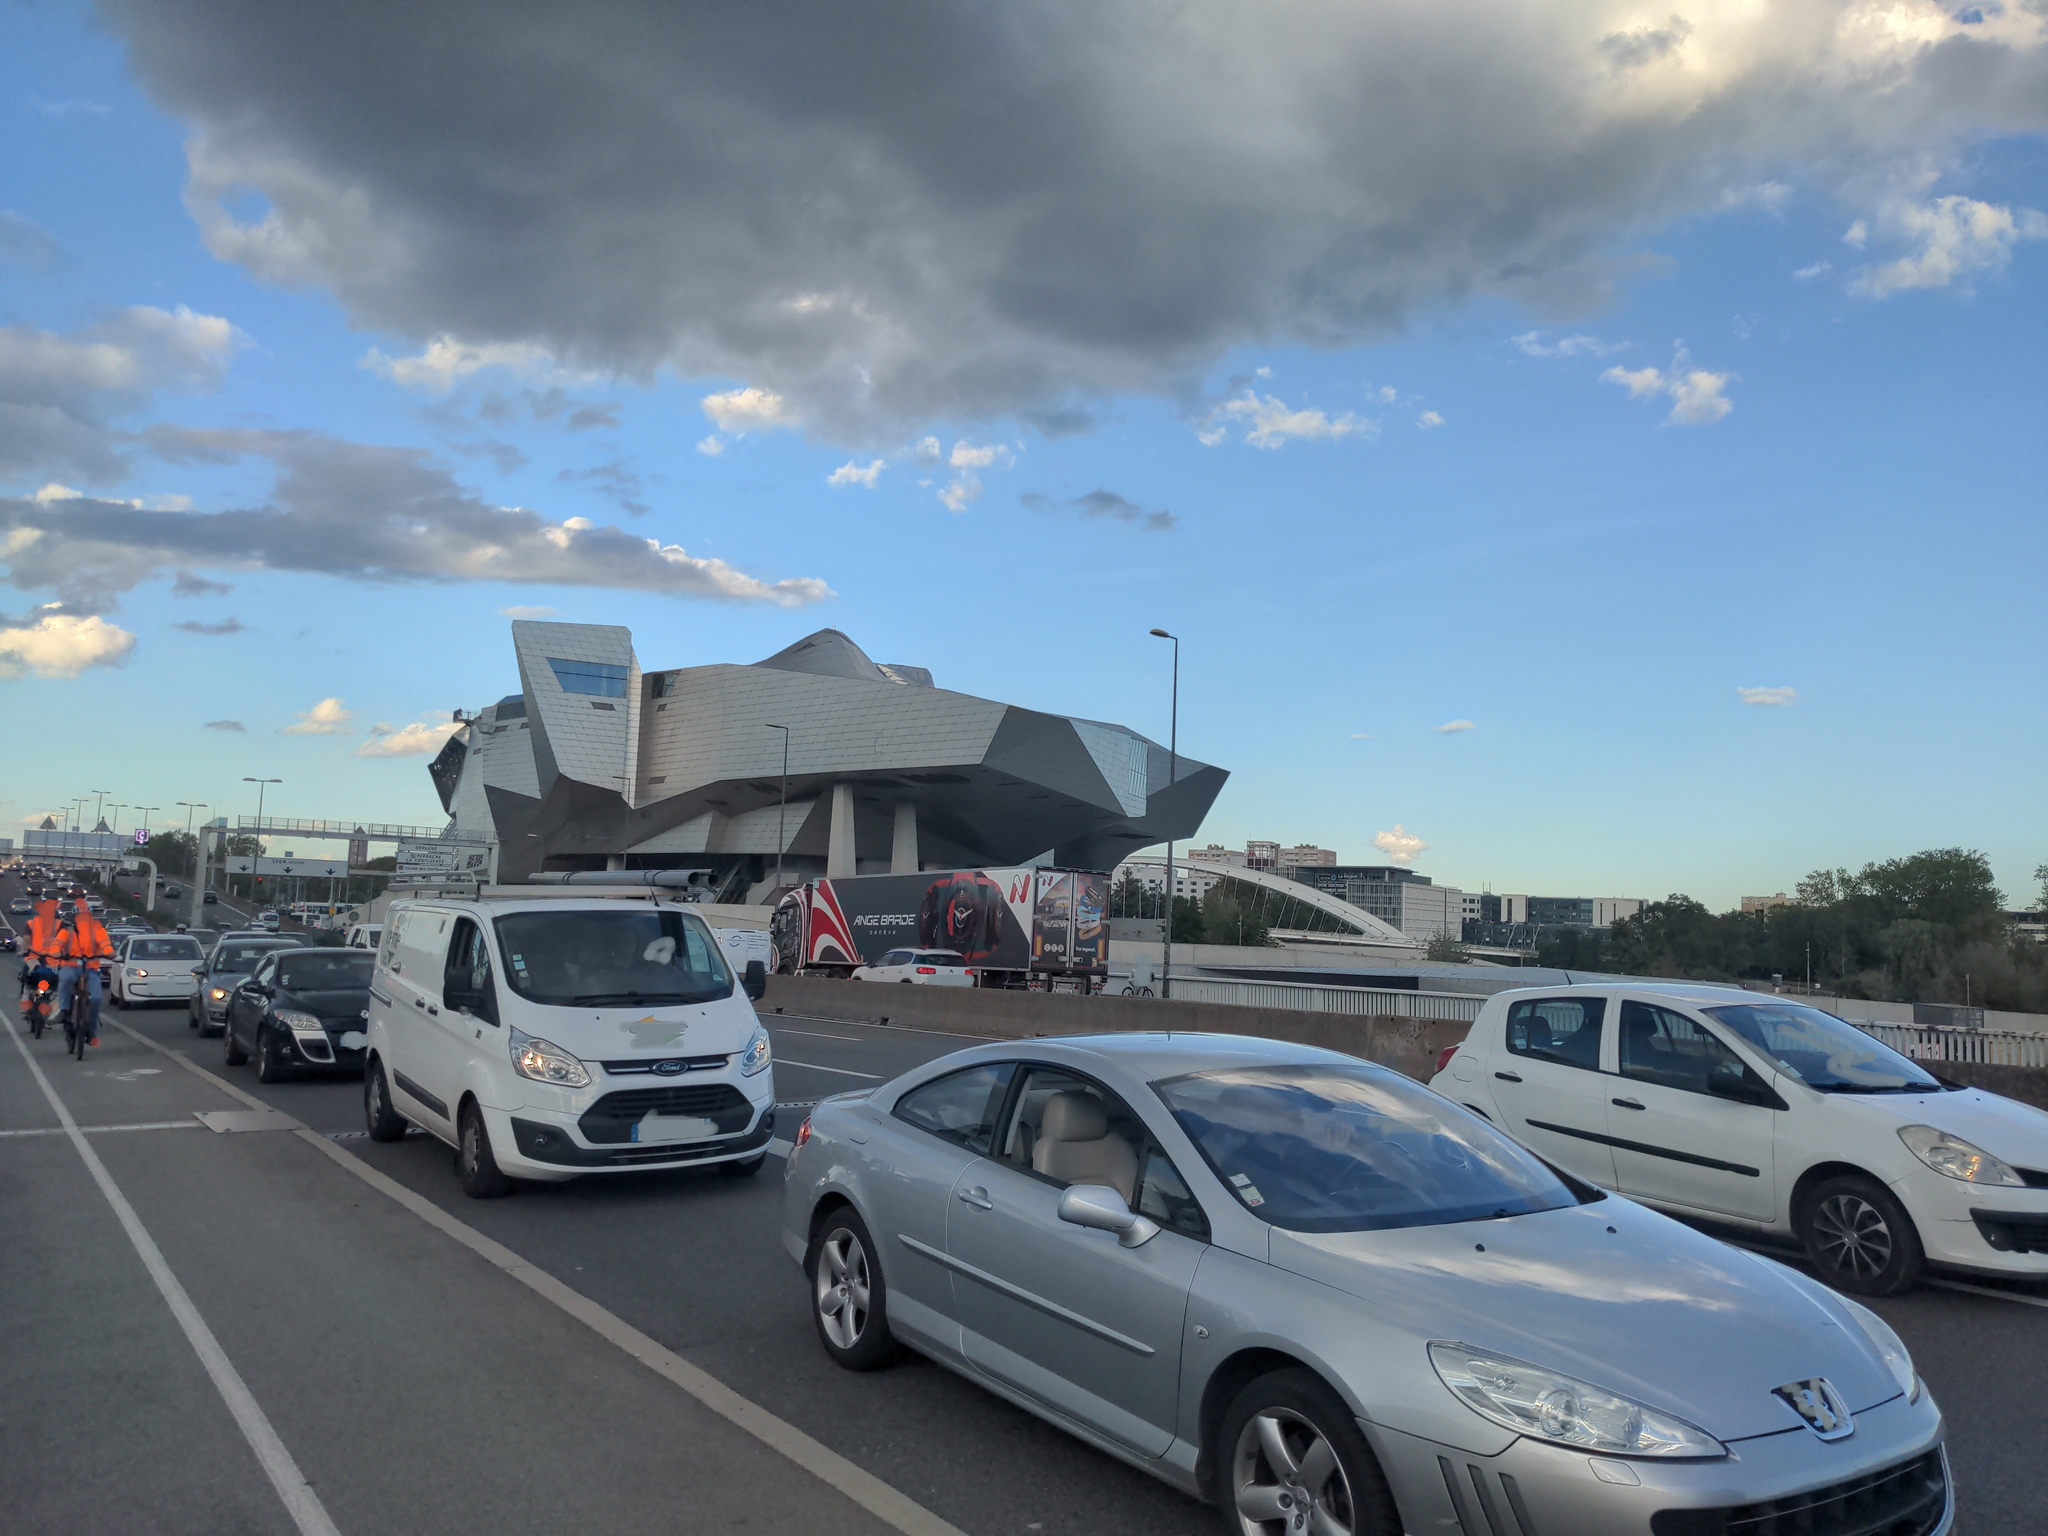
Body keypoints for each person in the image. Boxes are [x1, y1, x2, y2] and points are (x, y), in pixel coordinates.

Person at [52, 906, 114, 1048]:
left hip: (91, 969)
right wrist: (56, 952)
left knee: (96, 998)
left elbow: (105, 943)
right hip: (70, 966)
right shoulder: (66, 932)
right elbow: (57, 944)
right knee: (66, 979)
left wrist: (109, 952)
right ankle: (64, 1010)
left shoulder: (98, 931)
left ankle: (91, 1029)